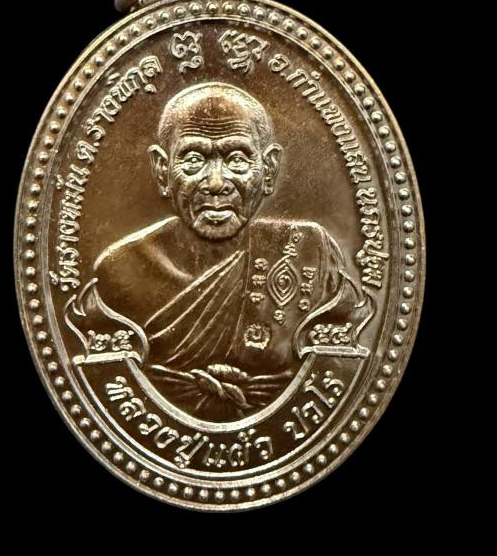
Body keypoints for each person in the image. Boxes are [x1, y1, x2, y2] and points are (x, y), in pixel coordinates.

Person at [67, 82, 373, 420]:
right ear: (162, 170)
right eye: (194, 159)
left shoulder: (308, 251)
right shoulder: (121, 269)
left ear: (269, 169)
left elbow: (335, 361)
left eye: (237, 159)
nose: (215, 183)